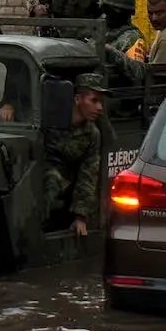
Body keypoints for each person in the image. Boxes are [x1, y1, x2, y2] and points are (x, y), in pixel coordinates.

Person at [43, 72, 107, 238]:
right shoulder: (49, 114)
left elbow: (88, 175)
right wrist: (9, 106)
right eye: (94, 100)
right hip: (35, 171)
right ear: (77, 99)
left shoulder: (92, 134)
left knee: (54, 179)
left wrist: (80, 216)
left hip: (61, 182)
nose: (99, 108)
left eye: (100, 102)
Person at [100, 0, 148, 86]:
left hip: (116, 92)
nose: (108, 15)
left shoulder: (133, 38)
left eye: (113, 11)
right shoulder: (100, 27)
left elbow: (138, 72)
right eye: (107, 10)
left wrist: (111, 52)